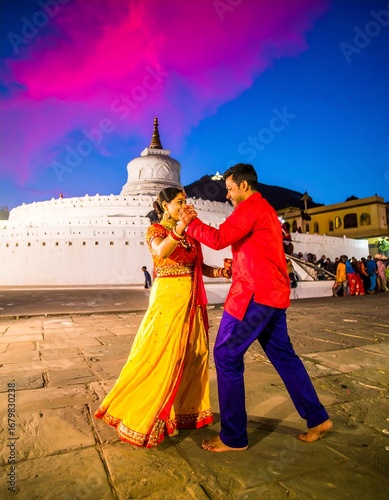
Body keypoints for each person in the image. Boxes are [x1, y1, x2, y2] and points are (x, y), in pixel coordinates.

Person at [180, 163, 332, 452]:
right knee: (284, 357)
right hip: (273, 295)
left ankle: (234, 436)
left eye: (230, 189)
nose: (228, 196)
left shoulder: (249, 209)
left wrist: (190, 223)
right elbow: (256, 251)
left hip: (254, 296)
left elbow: (218, 238)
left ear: (245, 186)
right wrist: (235, 265)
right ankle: (317, 418)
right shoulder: (266, 212)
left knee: (225, 355)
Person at [95, 187, 231, 447]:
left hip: (191, 301)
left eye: (185, 201)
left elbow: (199, 268)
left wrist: (222, 272)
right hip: (168, 301)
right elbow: (161, 252)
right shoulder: (156, 231)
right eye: (179, 202)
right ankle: (147, 414)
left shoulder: (189, 233)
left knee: (194, 355)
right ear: (165, 206)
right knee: (161, 356)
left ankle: (182, 412)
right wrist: (181, 227)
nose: (184, 205)